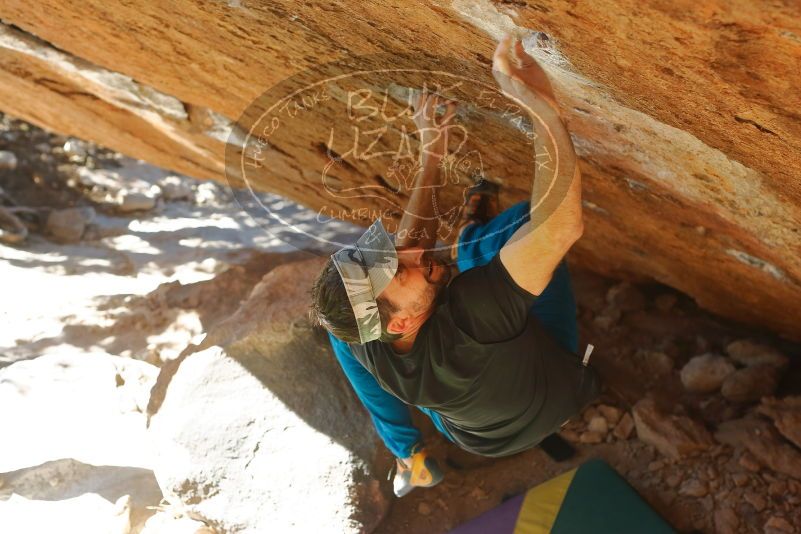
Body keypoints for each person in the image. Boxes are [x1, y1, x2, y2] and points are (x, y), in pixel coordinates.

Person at [309, 35, 600, 497]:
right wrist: (543, 109)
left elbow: (409, 249)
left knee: (340, 333)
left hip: (471, 433)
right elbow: (562, 226)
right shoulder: (475, 312)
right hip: (558, 388)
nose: (411, 251)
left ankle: (410, 455)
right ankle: (473, 241)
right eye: (398, 272)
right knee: (524, 223)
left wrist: (433, 154)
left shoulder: (370, 329)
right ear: (403, 320)